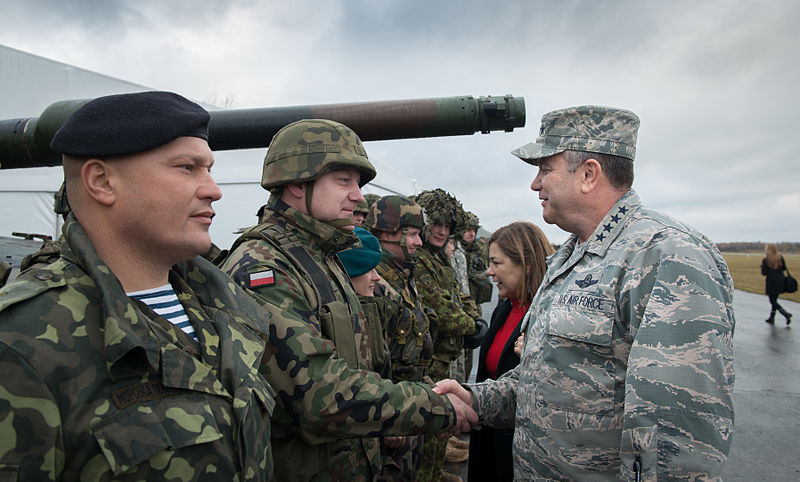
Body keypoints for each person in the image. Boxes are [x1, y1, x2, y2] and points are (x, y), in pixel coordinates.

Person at [436, 105, 736, 480]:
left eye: (545, 170)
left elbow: (677, 441)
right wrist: (477, 399)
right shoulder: (568, 256)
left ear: (588, 174)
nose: (535, 184)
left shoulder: (666, 257)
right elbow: (545, 379)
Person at [0, 92, 276, 480]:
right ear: (101, 182)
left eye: (209, 169)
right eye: (187, 168)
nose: (213, 189)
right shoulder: (21, 341)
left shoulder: (225, 309)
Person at [219, 119, 476, 481]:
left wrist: (382, 430)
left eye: (358, 183)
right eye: (344, 181)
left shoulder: (322, 256)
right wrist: (433, 406)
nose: (357, 195)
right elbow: (317, 395)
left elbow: (362, 364)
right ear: (296, 183)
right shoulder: (264, 266)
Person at [467, 221, 554, 482]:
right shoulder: (505, 308)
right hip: (490, 440)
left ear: (525, 262)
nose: (490, 272)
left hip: (523, 452)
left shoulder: (549, 315)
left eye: (496, 263)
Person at [412, 188, 486, 482]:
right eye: (436, 224)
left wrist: (475, 319)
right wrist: (471, 326)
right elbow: (438, 306)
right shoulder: (419, 258)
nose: (442, 231)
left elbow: (458, 293)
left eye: (447, 225)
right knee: (426, 440)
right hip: (429, 360)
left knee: (438, 436)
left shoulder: (439, 258)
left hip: (444, 358)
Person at [364, 195, 436, 481]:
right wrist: (388, 421)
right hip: (392, 415)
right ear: (387, 233)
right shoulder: (373, 281)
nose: (419, 242)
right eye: (414, 234)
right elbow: (370, 360)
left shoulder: (403, 274)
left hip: (410, 406)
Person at [762, 243, 793, 324]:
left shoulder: (766, 259)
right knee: (774, 299)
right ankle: (772, 317)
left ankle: (785, 314)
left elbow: (764, 272)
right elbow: (783, 268)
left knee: (772, 301)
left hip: (771, 281)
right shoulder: (780, 257)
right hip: (780, 280)